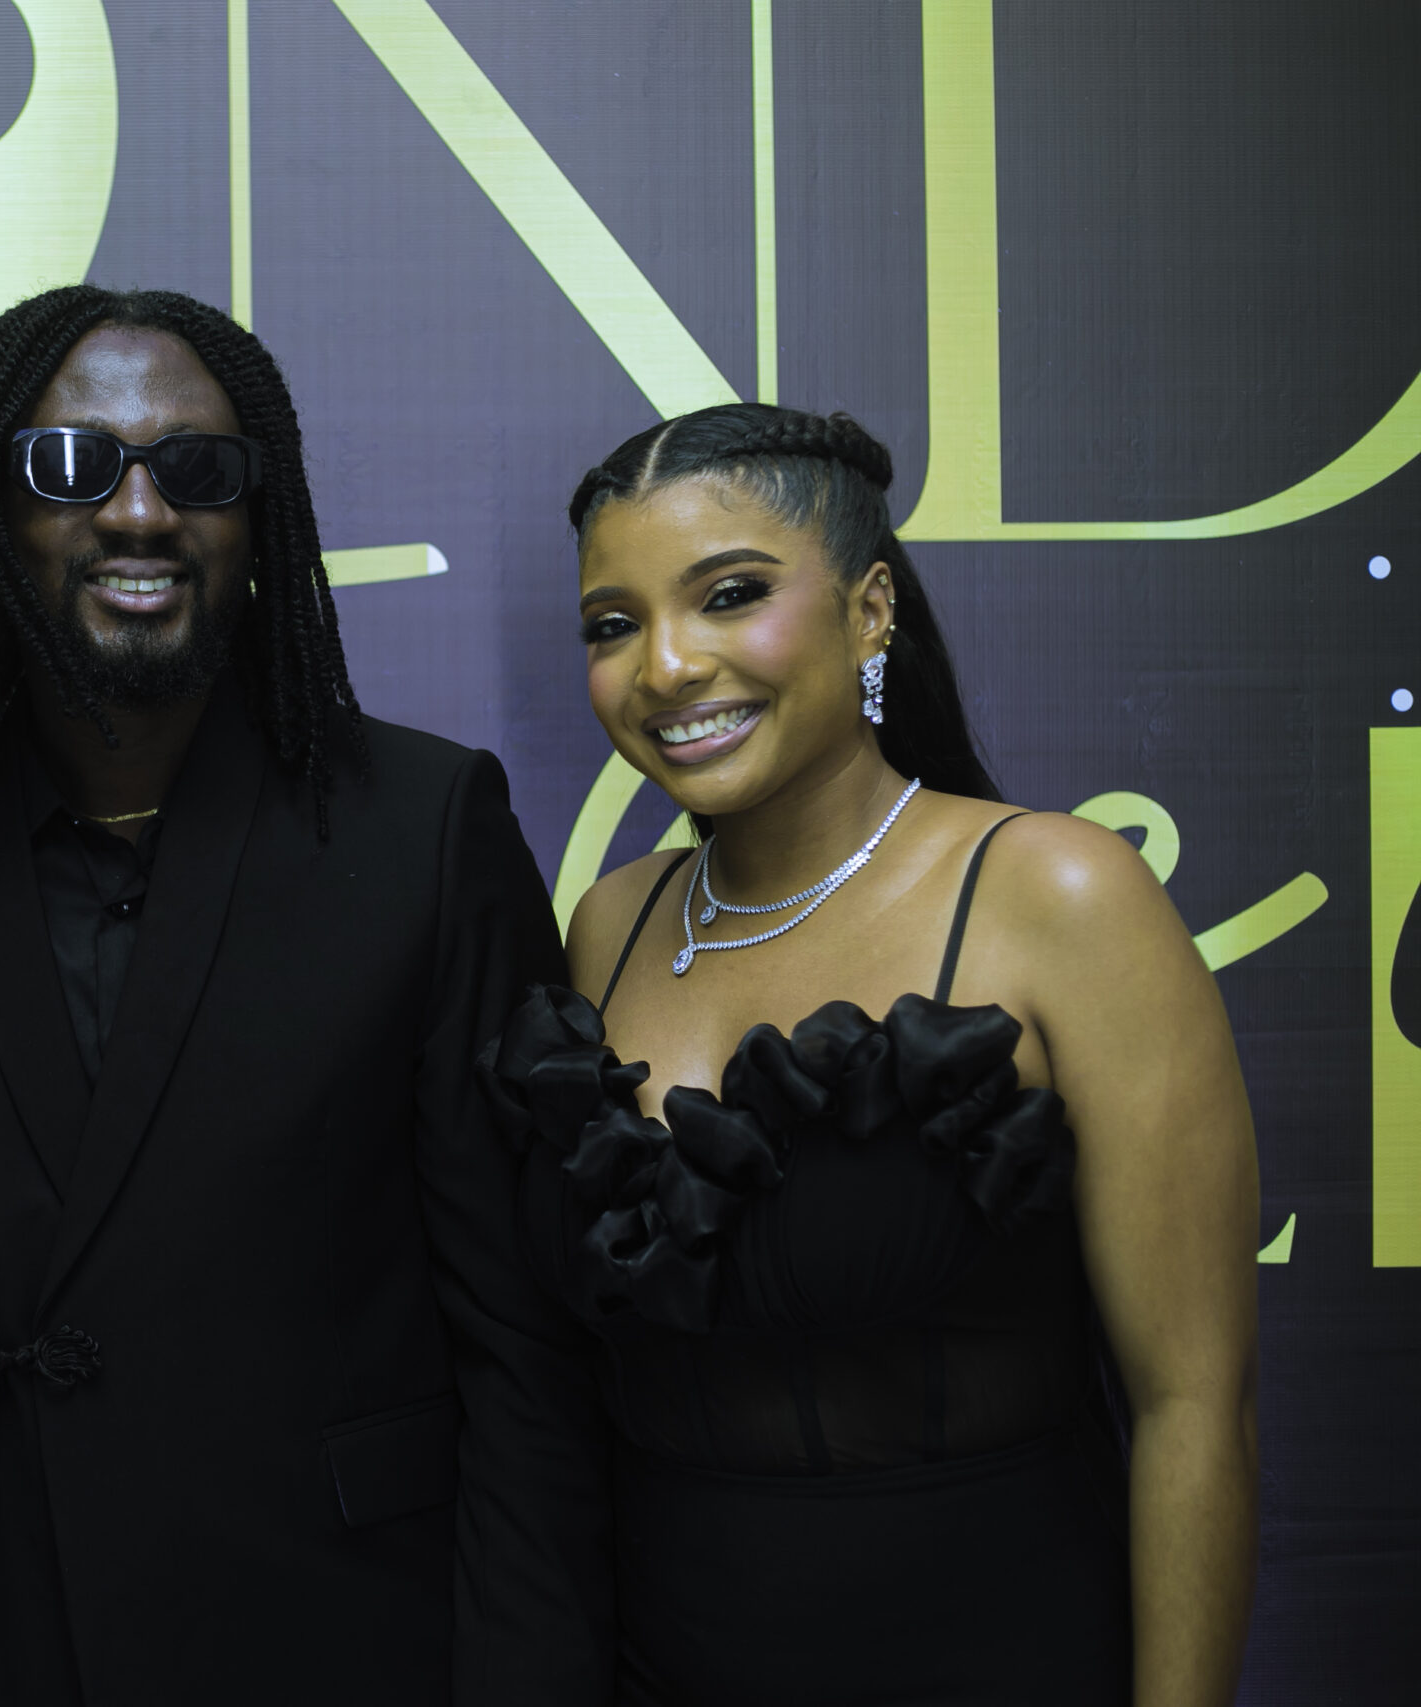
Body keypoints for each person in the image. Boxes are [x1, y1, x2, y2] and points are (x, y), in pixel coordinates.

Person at [0, 285, 613, 1705]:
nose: (141, 511)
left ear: (255, 517)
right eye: (71, 464)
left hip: (335, 1633)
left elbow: (523, 1345)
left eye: (198, 469)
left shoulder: (423, 828)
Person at [482, 404, 1260, 1705]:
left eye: (730, 594)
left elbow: (1194, 1408)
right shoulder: (607, 926)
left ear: (871, 609)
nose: (664, 665)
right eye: (612, 624)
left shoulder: (1057, 894)